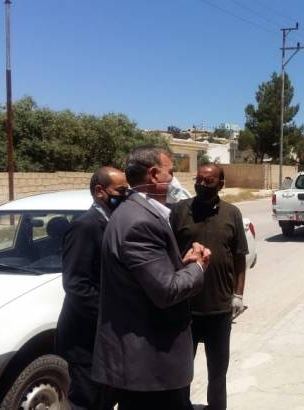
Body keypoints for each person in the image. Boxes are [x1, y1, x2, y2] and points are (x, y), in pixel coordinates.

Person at [92, 147, 211, 410]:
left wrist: (182, 265)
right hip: (150, 367)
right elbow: (166, 291)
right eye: (171, 172)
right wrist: (198, 267)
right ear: (155, 175)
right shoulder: (139, 222)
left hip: (147, 367)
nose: (174, 179)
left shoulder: (138, 212)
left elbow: (150, 277)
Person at [170, 163, 249, 410]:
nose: (201, 184)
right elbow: (168, 254)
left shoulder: (232, 213)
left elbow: (239, 257)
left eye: (208, 181)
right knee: (181, 371)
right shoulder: (179, 211)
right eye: (198, 180)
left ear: (220, 185)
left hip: (220, 309)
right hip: (185, 308)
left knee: (218, 371)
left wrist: (238, 295)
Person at [56, 166, 127, 410]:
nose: (125, 196)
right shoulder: (85, 227)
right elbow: (76, 284)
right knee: (88, 400)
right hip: (85, 339)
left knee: (106, 399)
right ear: (100, 191)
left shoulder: (113, 221)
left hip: (105, 338)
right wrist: (111, 316)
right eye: (121, 191)